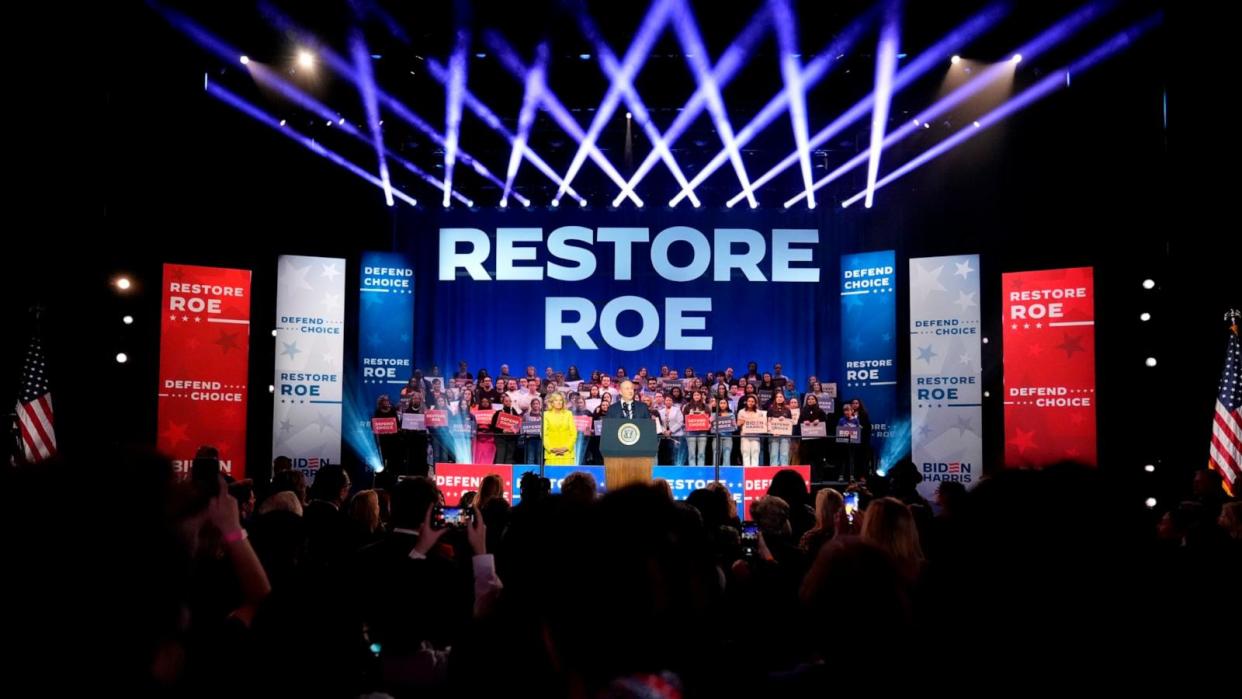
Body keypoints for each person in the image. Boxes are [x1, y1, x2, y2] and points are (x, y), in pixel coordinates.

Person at [543, 392, 577, 465]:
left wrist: (566, 448)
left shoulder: (568, 414)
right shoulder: (546, 415)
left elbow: (573, 434)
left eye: (561, 400)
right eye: (556, 400)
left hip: (567, 454)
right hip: (551, 455)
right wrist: (551, 448)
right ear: (551, 403)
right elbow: (543, 434)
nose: (559, 402)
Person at [490, 393, 522, 464]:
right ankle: (498, 473)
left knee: (509, 457)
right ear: (503, 402)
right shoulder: (498, 413)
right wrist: (502, 430)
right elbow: (493, 426)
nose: (508, 403)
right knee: (500, 455)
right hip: (501, 438)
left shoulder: (514, 412)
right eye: (506, 401)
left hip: (511, 438)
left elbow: (518, 425)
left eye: (510, 401)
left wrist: (514, 430)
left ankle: (508, 473)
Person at [683, 390, 711, 466]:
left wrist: (705, 416)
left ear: (701, 396)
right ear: (692, 396)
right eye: (695, 395)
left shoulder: (706, 406)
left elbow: (709, 419)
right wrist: (689, 415)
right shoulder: (687, 406)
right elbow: (684, 420)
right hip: (691, 432)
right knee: (691, 453)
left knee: (701, 453)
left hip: (702, 432)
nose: (696, 396)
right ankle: (692, 469)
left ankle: (700, 469)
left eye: (698, 395)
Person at [713, 396, 735, 466]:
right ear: (718, 405)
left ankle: (726, 473)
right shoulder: (714, 414)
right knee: (716, 454)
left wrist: (734, 424)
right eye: (721, 403)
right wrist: (710, 422)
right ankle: (714, 473)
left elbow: (735, 427)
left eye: (724, 403)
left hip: (728, 437)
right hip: (717, 437)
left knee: (727, 454)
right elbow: (711, 427)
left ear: (727, 404)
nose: (722, 405)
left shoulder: (731, 415)